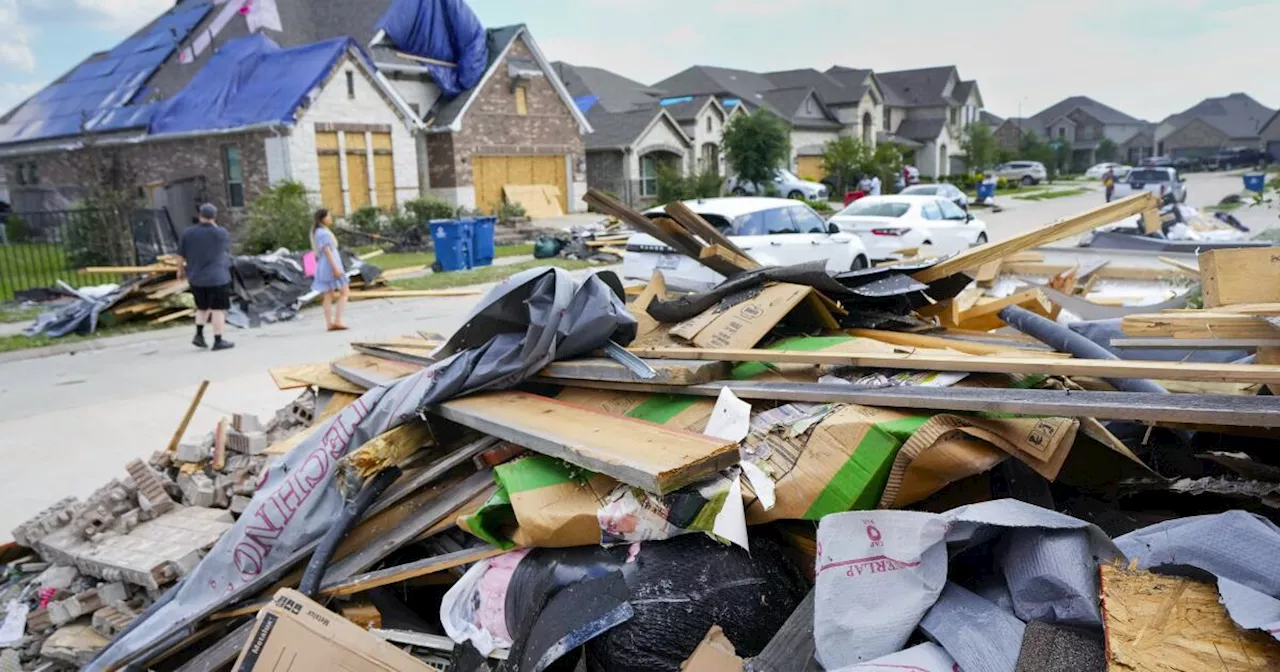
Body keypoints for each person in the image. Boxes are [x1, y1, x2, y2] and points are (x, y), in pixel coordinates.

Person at [177, 203, 234, 351]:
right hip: (217, 278)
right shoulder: (221, 233)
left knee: (202, 307)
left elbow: (180, 255)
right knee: (218, 309)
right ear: (214, 216)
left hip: (196, 277)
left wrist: (181, 270)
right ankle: (218, 340)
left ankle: (199, 335)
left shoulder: (188, 233)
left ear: (199, 215)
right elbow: (225, 250)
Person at [311, 208, 349, 331]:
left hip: (325, 265)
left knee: (328, 294)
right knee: (344, 291)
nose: (330, 219)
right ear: (323, 218)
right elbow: (327, 251)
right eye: (329, 216)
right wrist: (335, 268)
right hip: (330, 265)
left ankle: (329, 323)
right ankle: (337, 320)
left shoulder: (318, 232)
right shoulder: (323, 233)